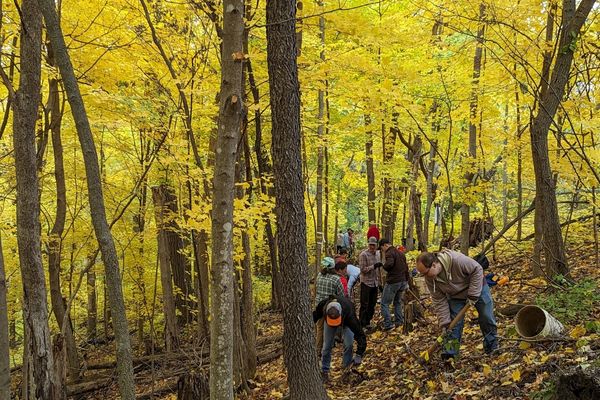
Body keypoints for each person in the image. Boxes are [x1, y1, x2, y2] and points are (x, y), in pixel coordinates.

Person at [416, 249, 498, 359]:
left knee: (486, 317)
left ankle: (492, 347)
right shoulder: (430, 279)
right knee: (452, 325)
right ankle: (450, 355)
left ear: (434, 265)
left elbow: (477, 269)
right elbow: (439, 300)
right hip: (455, 296)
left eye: (426, 273)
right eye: (423, 274)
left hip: (478, 288)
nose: (425, 276)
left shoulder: (457, 260)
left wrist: (473, 294)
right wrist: (444, 322)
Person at [313, 294, 366, 383]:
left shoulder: (350, 316)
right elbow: (315, 315)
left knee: (349, 344)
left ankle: (346, 370)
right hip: (328, 323)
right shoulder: (323, 305)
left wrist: (359, 354)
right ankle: (324, 371)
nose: (335, 324)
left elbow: (360, 335)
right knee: (326, 346)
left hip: (346, 323)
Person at [315, 257, 344, 354]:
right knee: (330, 328)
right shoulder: (336, 279)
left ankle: (318, 350)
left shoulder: (319, 276)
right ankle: (327, 348)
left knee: (319, 328)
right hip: (330, 307)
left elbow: (315, 290)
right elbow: (341, 295)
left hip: (318, 306)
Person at [379, 238, 409, 330]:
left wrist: (383, 266)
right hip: (402, 281)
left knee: (384, 303)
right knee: (397, 302)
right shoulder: (400, 253)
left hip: (393, 281)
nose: (382, 251)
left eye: (381, 248)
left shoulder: (389, 252)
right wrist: (406, 281)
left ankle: (388, 325)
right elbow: (406, 267)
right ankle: (399, 322)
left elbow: (389, 264)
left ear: (385, 245)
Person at [358, 236, 381, 329]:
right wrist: (373, 266)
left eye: (374, 245)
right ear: (368, 244)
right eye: (371, 245)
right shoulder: (363, 255)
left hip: (375, 283)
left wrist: (380, 283)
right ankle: (361, 323)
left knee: (372, 304)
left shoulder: (378, 254)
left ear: (376, 245)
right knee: (364, 304)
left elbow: (379, 270)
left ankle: (368, 322)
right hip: (366, 282)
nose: (372, 247)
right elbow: (362, 270)